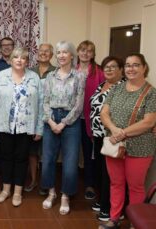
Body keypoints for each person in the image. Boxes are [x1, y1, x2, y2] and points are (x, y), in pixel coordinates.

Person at [99, 53, 156, 229]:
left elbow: (148, 122)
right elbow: (104, 113)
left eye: (135, 65)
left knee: (135, 187)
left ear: (144, 68)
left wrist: (122, 132)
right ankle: (114, 218)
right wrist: (114, 130)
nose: (130, 69)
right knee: (116, 183)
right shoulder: (117, 88)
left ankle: (135, 222)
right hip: (115, 145)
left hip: (140, 147)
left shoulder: (152, 94)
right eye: (127, 65)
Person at [0, 47, 43, 207]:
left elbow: (40, 104)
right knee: (6, 158)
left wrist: (39, 128)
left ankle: (17, 192)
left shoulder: (34, 78)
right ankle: (5, 190)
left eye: (23, 57)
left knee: (21, 159)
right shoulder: (1, 76)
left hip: (26, 128)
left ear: (27, 61)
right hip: (4, 126)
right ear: (11, 60)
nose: (19, 60)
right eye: (16, 57)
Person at [41, 41, 86, 215]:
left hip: (71, 121)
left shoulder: (79, 76)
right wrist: (51, 122)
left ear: (71, 56)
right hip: (51, 119)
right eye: (58, 52)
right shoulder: (50, 76)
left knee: (69, 162)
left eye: (65, 52)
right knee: (48, 160)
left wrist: (64, 123)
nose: (61, 55)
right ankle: (51, 193)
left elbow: (79, 104)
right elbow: (44, 101)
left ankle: (66, 196)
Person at [90, 56, 125, 222]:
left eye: (113, 67)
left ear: (121, 69)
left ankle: (109, 208)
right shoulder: (102, 85)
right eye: (106, 67)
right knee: (100, 170)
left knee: (110, 173)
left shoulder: (123, 87)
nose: (109, 70)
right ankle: (103, 200)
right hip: (98, 135)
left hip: (112, 137)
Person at [25, 43, 56, 194]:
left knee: (48, 152)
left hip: (50, 118)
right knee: (32, 151)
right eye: (40, 51)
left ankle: (46, 183)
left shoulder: (56, 72)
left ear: (51, 55)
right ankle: (33, 180)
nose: (43, 53)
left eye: (47, 51)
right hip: (32, 117)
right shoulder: (29, 71)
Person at [76, 40, 105, 200]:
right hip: (73, 119)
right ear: (78, 52)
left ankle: (90, 185)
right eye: (82, 50)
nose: (85, 53)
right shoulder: (72, 70)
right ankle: (70, 184)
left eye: (89, 51)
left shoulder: (100, 72)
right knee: (72, 153)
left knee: (90, 154)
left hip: (91, 120)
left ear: (93, 54)